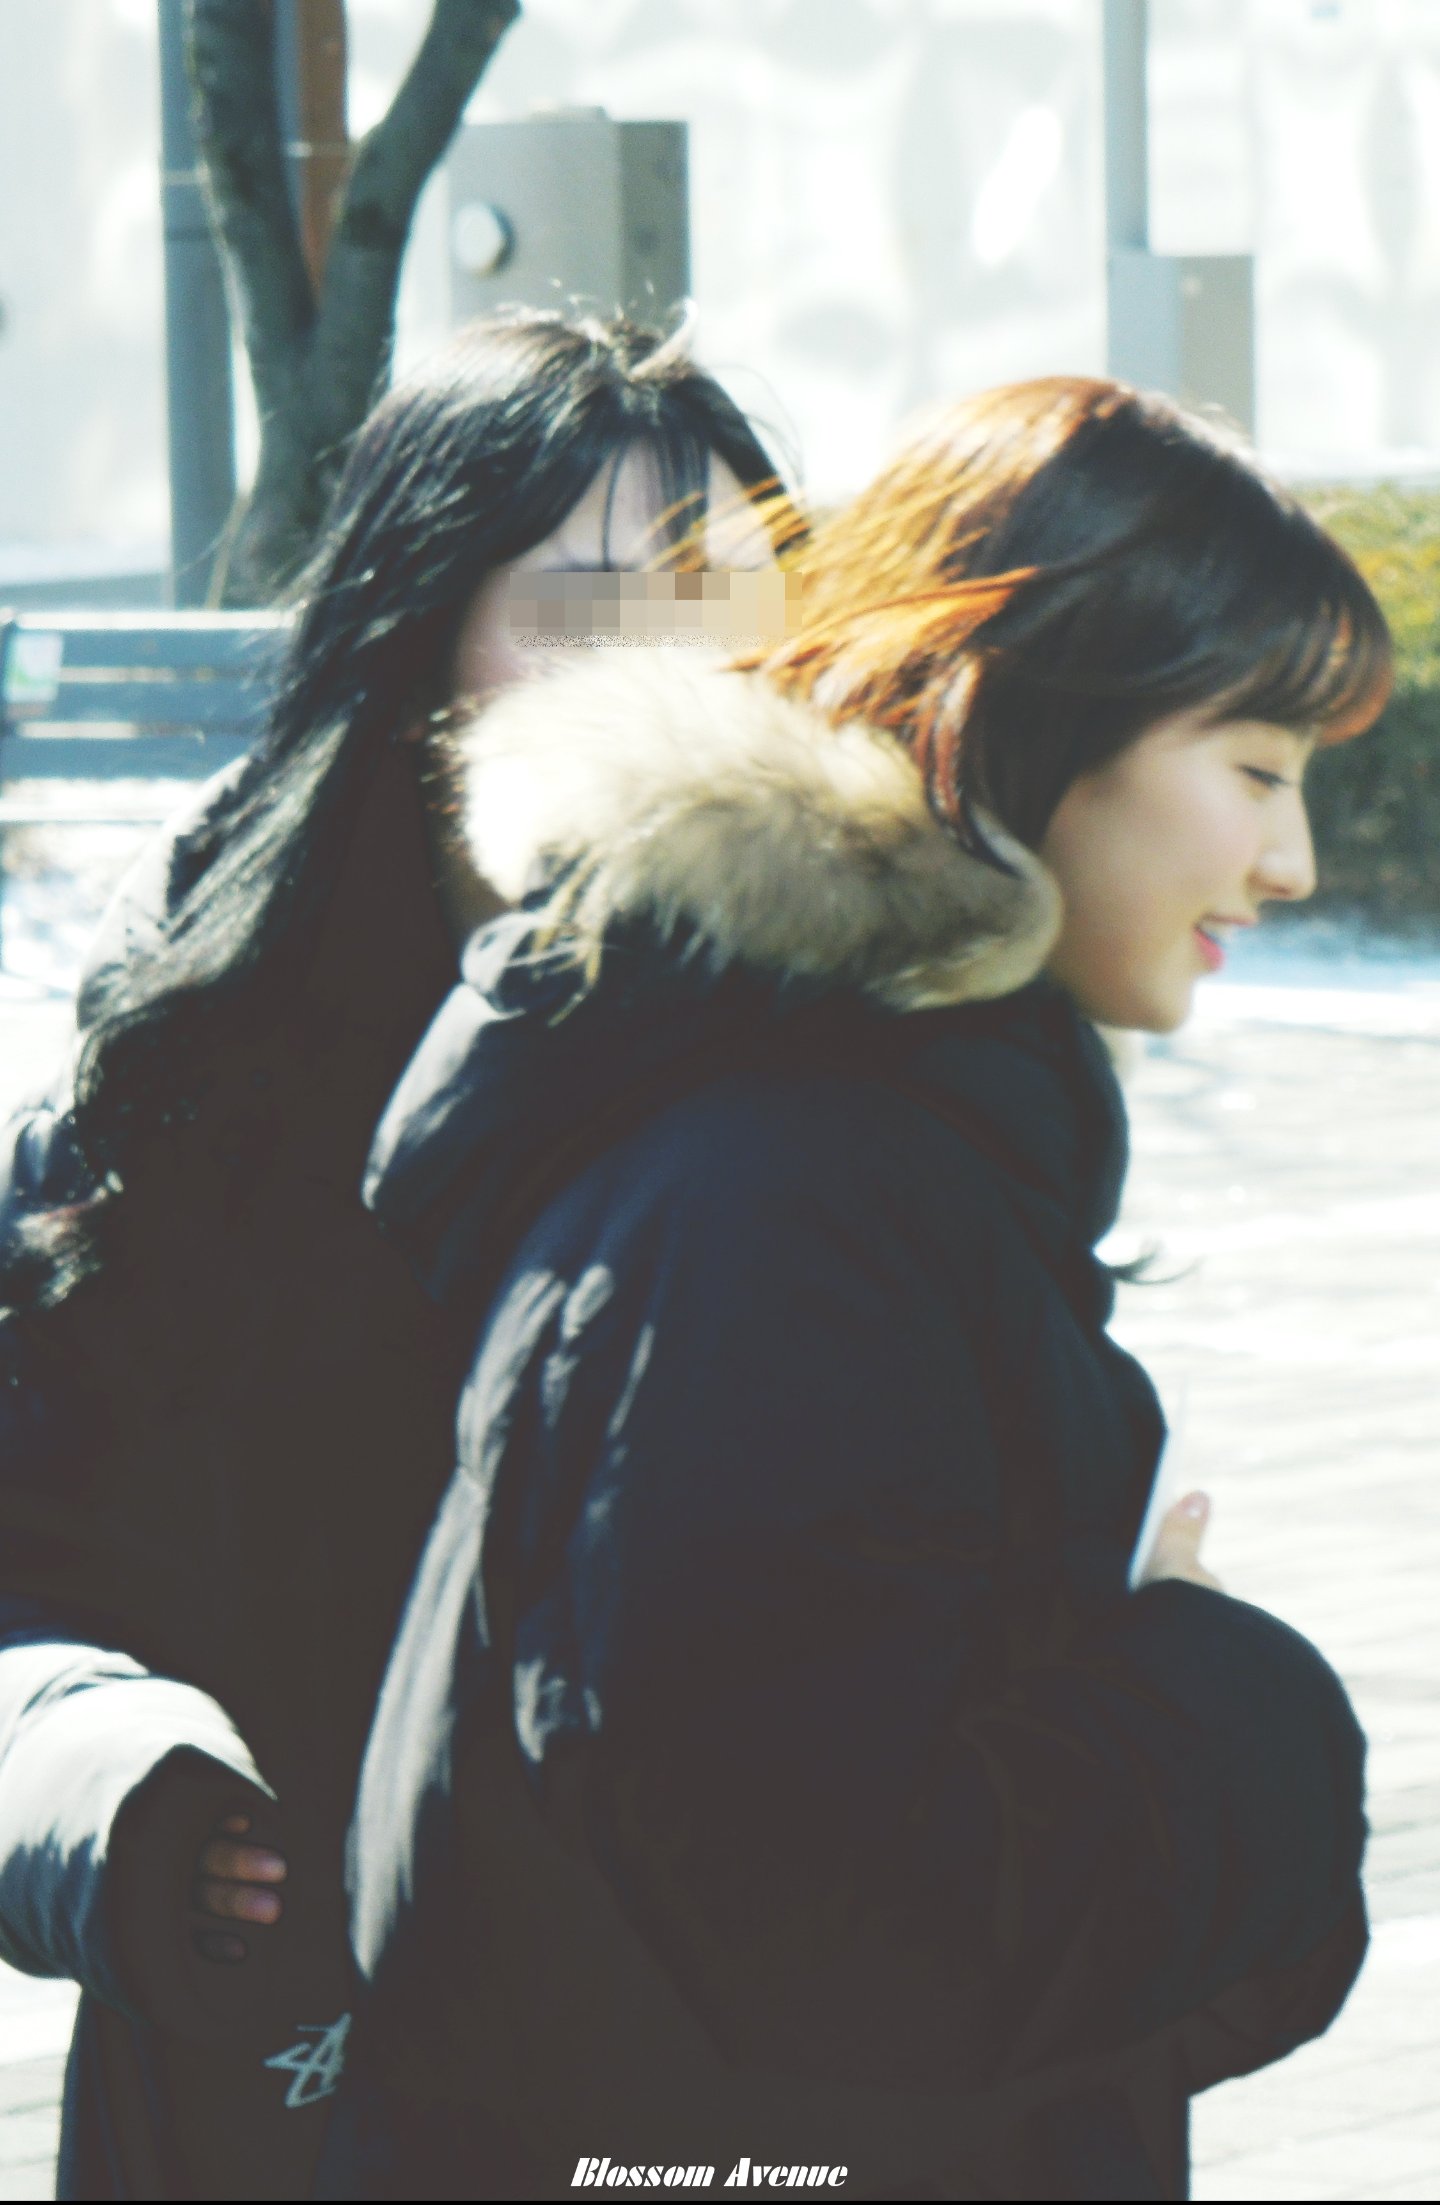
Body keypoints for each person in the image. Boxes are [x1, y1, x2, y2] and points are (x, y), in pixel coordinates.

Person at [321, 378, 1390, 2201]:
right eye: (1258, 771)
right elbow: (831, 1927)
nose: (1290, 863)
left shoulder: (857, 1133)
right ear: (1027, 719)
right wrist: (1223, 1692)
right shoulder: (787, 1187)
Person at [0, 308, 799, 2201]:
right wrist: (109, 1782)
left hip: (718, 2082)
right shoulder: (178, 1070)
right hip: (279, 2061)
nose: (676, 675)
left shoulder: (855, 1059)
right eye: (593, 605)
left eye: (730, 607)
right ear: (416, 629)